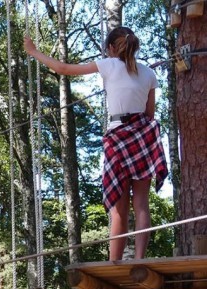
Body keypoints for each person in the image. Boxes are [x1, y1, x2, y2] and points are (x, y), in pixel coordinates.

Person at [24, 27, 168, 261]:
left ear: (112, 48)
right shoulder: (149, 73)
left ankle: (114, 263)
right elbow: (149, 114)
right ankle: (140, 258)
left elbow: (63, 69)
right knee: (141, 203)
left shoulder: (109, 65)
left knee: (119, 208)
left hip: (118, 134)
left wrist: (34, 51)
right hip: (143, 135)